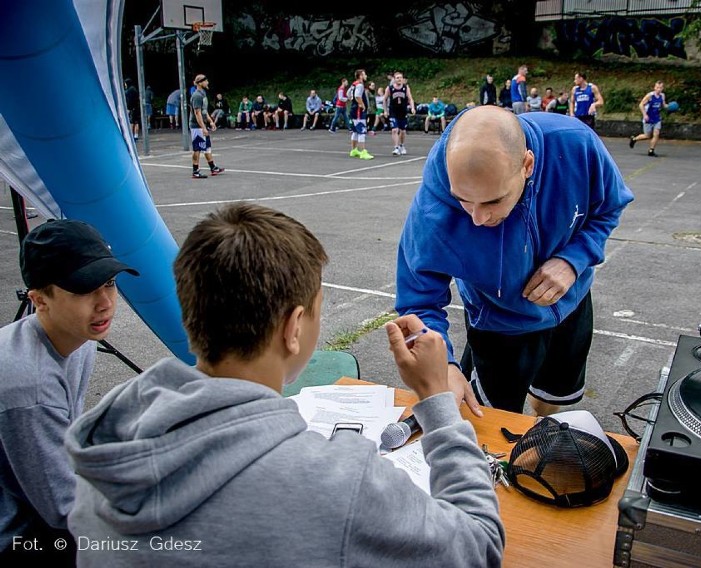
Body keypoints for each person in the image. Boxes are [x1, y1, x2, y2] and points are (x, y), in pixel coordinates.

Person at [65, 203, 505, 566]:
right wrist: (438, 402)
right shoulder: (336, 483)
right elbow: (478, 545)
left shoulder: (107, 444)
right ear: (294, 327)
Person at [395, 106, 634, 416]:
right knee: (495, 421)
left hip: (572, 302)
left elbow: (609, 206)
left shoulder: (575, 144)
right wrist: (442, 367)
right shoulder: (432, 211)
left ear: (527, 165)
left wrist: (574, 259)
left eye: (493, 200)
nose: (478, 218)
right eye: (463, 199)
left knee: (555, 406)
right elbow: (418, 302)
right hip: (500, 323)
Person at [0, 219, 138, 566]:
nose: (105, 302)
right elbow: (64, 512)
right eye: (83, 289)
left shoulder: (79, 339)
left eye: (108, 283)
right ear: (39, 300)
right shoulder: (29, 386)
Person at [189, 74, 224, 179]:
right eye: (205, 81)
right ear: (200, 83)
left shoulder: (203, 94)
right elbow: (197, 113)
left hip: (202, 125)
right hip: (197, 126)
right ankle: (195, 171)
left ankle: (213, 167)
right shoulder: (197, 96)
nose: (207, 82)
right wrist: (203, 127)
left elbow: (204, 111)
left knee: (207, 147)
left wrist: (211, 121)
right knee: (197, 148)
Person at [629, 80, 666, 157]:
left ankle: (651, 150)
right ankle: (634, 139)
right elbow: (641, 105)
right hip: (648, 118)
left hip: (657, 118)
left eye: (660, 88)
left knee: (656, 134)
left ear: (662, 88)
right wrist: (645, 115)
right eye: (657, 87)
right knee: (647, 136)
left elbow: (663, 105)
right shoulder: (650, 96)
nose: (658, 89)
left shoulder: (662, 96)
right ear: (654, 88)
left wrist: (670, 107)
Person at [384, 71, 416, 156]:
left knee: (402, 131)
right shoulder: (389, 88)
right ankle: (396, 147)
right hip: (393, 111)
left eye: (400, 78)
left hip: (402, 111)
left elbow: (410, 98)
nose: (399, 79)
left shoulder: (406, 88)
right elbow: (385, 99)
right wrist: (385, 110)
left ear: (403, 79)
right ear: (394, 79)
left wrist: (412, 107)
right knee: (395, 129)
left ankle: (402, 145)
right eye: (397, 78)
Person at [347, 68, 373, 160]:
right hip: (358, 111)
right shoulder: (360, 85)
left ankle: (354, 150)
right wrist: (362, 105)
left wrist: (352, 100)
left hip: (353, 110)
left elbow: (348, 94)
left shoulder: (354, 84)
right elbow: (357, 96)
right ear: (361, 76)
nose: (366, 76)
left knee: (355, 131)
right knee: (361, 131)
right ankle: (363, 152)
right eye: (364, 74)